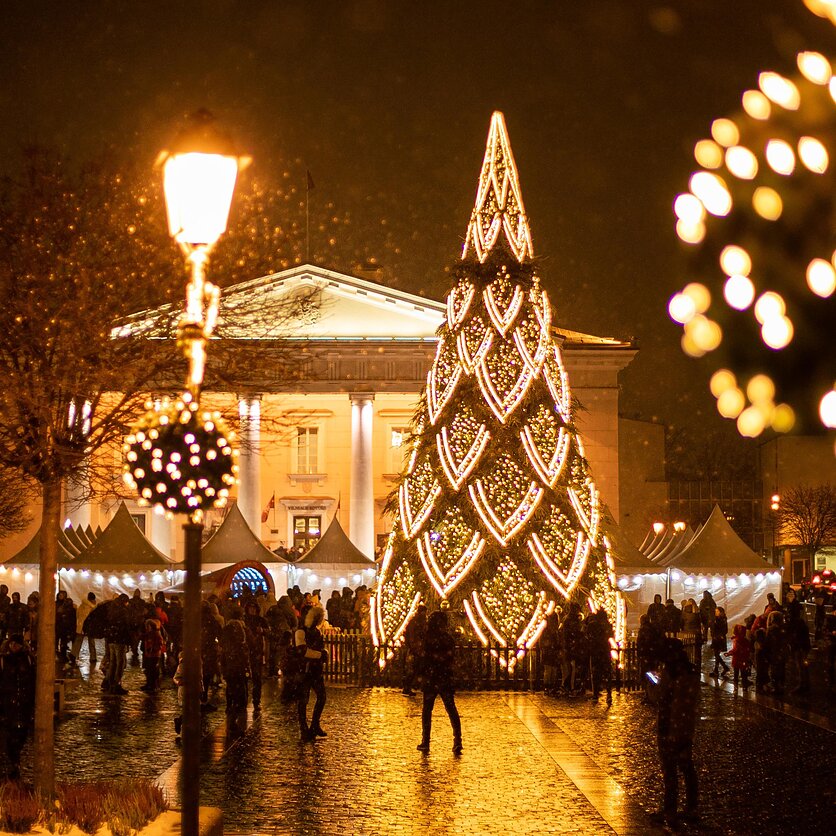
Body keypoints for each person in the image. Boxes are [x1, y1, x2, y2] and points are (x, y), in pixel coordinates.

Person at [655, 638, 700, 830]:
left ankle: (670, 811)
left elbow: (665, 699)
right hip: (685, 726)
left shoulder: (671, 673)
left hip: (670, 726)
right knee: (687, 767)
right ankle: (691, 807)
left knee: (671, 771)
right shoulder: (689, 672)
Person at [417, 610, 462, 754]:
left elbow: (424, 656)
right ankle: (457, 740)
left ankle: (426, 740)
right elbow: (450, 657)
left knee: (428, 710)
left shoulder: (429, 639)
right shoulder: (446, 639)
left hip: (433, 677)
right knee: (450, 708)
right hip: (443, 677)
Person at [0, 634, 36, 780]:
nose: (15, 647)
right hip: (8, 704)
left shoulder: (28, 659)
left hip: (24, 703)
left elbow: (33, 681)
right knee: (11, 734)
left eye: (18, 644)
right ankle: (14, 761)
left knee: (22, 734)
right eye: (13, 644)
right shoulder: (3, 660)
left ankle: (16, 758)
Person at [296, 605, 329, 742]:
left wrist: (323, 653)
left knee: (321, 697)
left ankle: (314, 724)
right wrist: (320, 655)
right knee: (303, 700)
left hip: (315, 669)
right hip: (304, 670)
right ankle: (304, 728)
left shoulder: (316, 631)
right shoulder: (300, 632)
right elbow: (302, 651)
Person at [220, 605, 251, 721]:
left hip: (230, 661)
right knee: (240, 685)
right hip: (238, 661)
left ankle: (231, 706)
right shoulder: (242, 628)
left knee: (231, 685)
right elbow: (249, 642)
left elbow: (223, 644)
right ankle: (238, 707)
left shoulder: (227, 628)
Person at [103, 594, 131, 695]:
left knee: (113, 662)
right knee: (120, 663)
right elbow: (126, 627)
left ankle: (110, 683)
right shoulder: (123, 611)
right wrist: (128, 642)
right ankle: (116, 684)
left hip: (111, 639)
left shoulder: (111, 610)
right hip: (120, 640)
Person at [243, 599, 268, 710]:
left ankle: (256, 701)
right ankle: (243, 700)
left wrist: (261, 630)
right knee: (244, 677)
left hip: (257, 651)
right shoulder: (244, 620)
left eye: (254, 608)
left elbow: (268, 631)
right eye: (250, 608)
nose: (252, 610)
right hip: (245, 651)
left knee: (257, 678)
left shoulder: (261, 620)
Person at [587, 608, 613, 704]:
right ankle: (609, 693)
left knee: (595, 673)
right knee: (607, 673)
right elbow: (610, 635)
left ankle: (595, 694)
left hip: (596, 651)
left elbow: (587, 635)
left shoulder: (593, 625)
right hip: (605, 650)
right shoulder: (606, 625)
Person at [402, 605, 427, 696]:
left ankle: (411, 686)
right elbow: (412, 635)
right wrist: (414, 647)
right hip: (416, 649)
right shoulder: (415, 622)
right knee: (413, 669)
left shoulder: (421, 622)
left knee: (418, 668)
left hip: (419, 648)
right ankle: (407, 687)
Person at [71, 592, 97, 667]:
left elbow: (77, 615)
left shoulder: (82, 605)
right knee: (91, 642)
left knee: (78, 641)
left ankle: (73, 654)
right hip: (88, 627)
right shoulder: (91, 607)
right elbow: (90, 618)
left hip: (80, 626)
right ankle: (93, 657)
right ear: (92, 600)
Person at [140, 618, 165, 694]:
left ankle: (153, 685)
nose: (146, 627)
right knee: (148, 669)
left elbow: (160, 644)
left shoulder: (156, 634)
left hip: (154, 655)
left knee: (152, 670)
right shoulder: (148, 634)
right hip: (149, 654)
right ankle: (149, 684)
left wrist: (153, 649)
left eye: (148, 626)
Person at [540, 611, 561, 695]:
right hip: (549, 652)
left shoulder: (555, 631)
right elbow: (544, 642)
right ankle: (547, 686)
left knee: (553, 670)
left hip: (553, 652)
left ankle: (552, 686)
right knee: (549, 670)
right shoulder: (547, 631)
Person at [725, 624, 752, 689]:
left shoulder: (736, 640)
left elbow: (735, 650)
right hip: (744, 660)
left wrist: (729, 653)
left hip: (737, 660)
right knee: (743, 674)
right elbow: (748, 649)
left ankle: (735, 686)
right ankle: (745, 686)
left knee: (736, 674)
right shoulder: (746, 640)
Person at [709, 606, 730, 678]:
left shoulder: (720, 620)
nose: (715, 613)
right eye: (715, 611)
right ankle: (717, 670)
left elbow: (723, 630)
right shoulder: (718, 619)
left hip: (718, 639)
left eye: (717, 611)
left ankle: (721, 668)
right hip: (717, 638)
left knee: (717, 655)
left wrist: (719, 635)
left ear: (720, 612)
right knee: (716, 655)